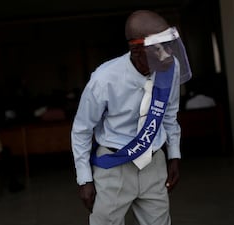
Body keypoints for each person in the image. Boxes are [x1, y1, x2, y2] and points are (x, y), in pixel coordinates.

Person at [71, 10, 192, 225]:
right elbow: (82, 129)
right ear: (137, 49)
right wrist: (84, 179)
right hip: (113, 166)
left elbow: (170, 115)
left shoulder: (169, 69)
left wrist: (174, 155)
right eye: (159, 48)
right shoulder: (104, 79)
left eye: (169, 45)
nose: (168, 54)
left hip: (154, 163)